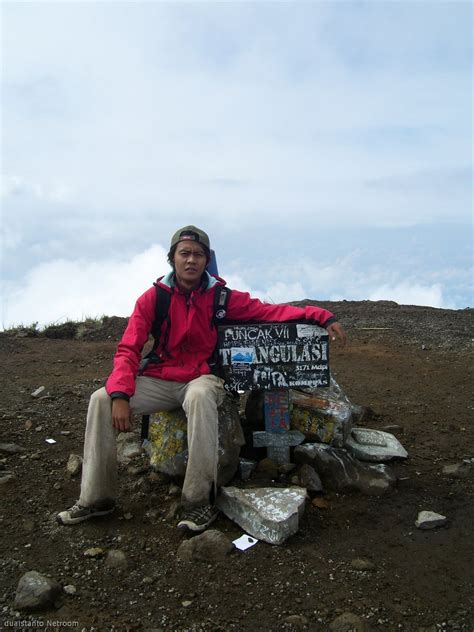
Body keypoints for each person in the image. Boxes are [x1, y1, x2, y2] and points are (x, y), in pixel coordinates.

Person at [57, 225, 346, 531]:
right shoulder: (153, 299)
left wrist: (320, 315)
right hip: (161, 377)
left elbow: (268, 312)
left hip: (202, 377)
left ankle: (197, 502)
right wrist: (120, 395)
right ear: (173, 259)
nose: (191, 260)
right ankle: (96, 498)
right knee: (100, 399)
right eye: (184, 254)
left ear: (207, 261)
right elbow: (129, 348)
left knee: (200, 395)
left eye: (198, 254)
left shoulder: (221, 298)